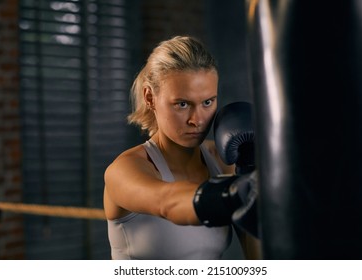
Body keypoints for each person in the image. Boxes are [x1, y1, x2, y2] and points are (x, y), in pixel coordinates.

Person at [103, 36, 259, 260]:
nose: (197, 120)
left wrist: (250, 168)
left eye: (207, 102)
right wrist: (233, 195)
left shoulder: (223, 161)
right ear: (150, 98)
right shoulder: (125, 169)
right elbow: (167, 202)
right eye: (182, 104)